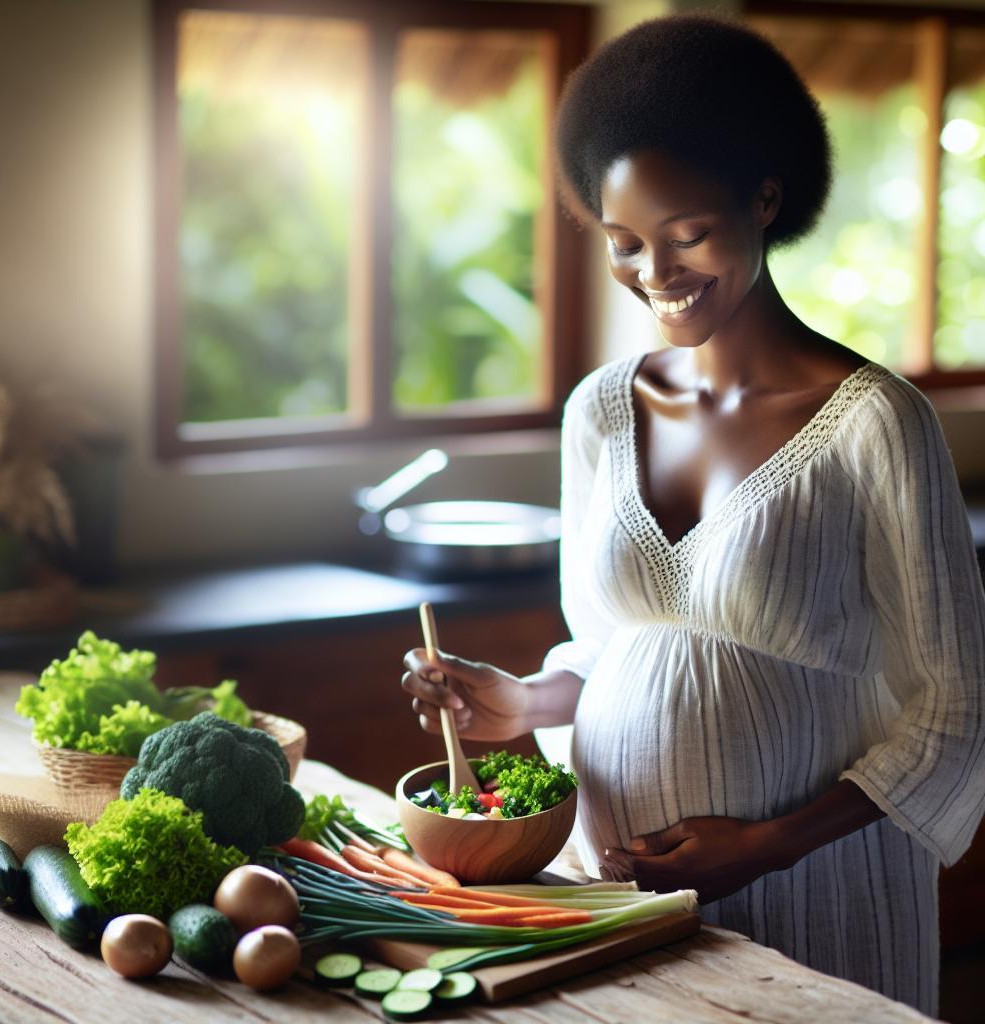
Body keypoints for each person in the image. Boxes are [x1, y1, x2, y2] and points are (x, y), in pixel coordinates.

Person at [401, 14, 985, 1017]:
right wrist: (525, 703)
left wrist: (769, 841)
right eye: (625, 242)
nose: (654, 272)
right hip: (611, 887)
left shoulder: (874, 424)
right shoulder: (599, 409)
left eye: (688, 233)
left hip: (814, 888)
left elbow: (955, 709)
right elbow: (610, 643)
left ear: (764, 198)